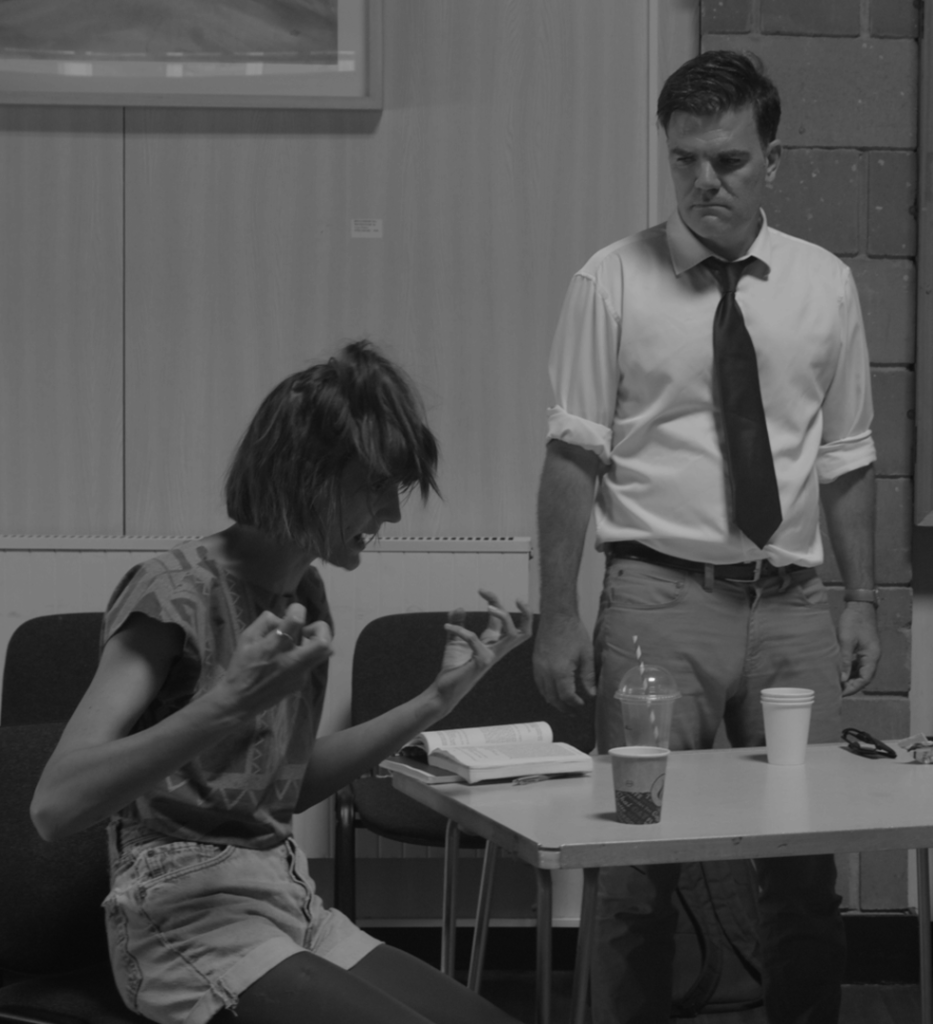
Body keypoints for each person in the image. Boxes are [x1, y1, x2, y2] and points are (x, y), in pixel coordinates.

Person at [31, 341, 530, 1024]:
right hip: (181, 913)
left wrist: (436, 700)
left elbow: (283, 788)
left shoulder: (305, 594)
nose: (390, 513)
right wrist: (228, 703)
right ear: (307, 476)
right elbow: (55, 806)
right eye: (375, 486)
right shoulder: (172, 592)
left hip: (286, 894)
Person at [532, 50, 879, 1024]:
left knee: (803, 869)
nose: (702, 182)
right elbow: (571, 459)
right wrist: (556, 613)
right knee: (634, 867)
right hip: (657, 600)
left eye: (727, 160)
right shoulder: (610, 281)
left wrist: (861, 597)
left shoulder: (824, 285)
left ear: (772, 158)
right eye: (683, 159)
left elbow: (847, 455)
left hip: (791, 607)